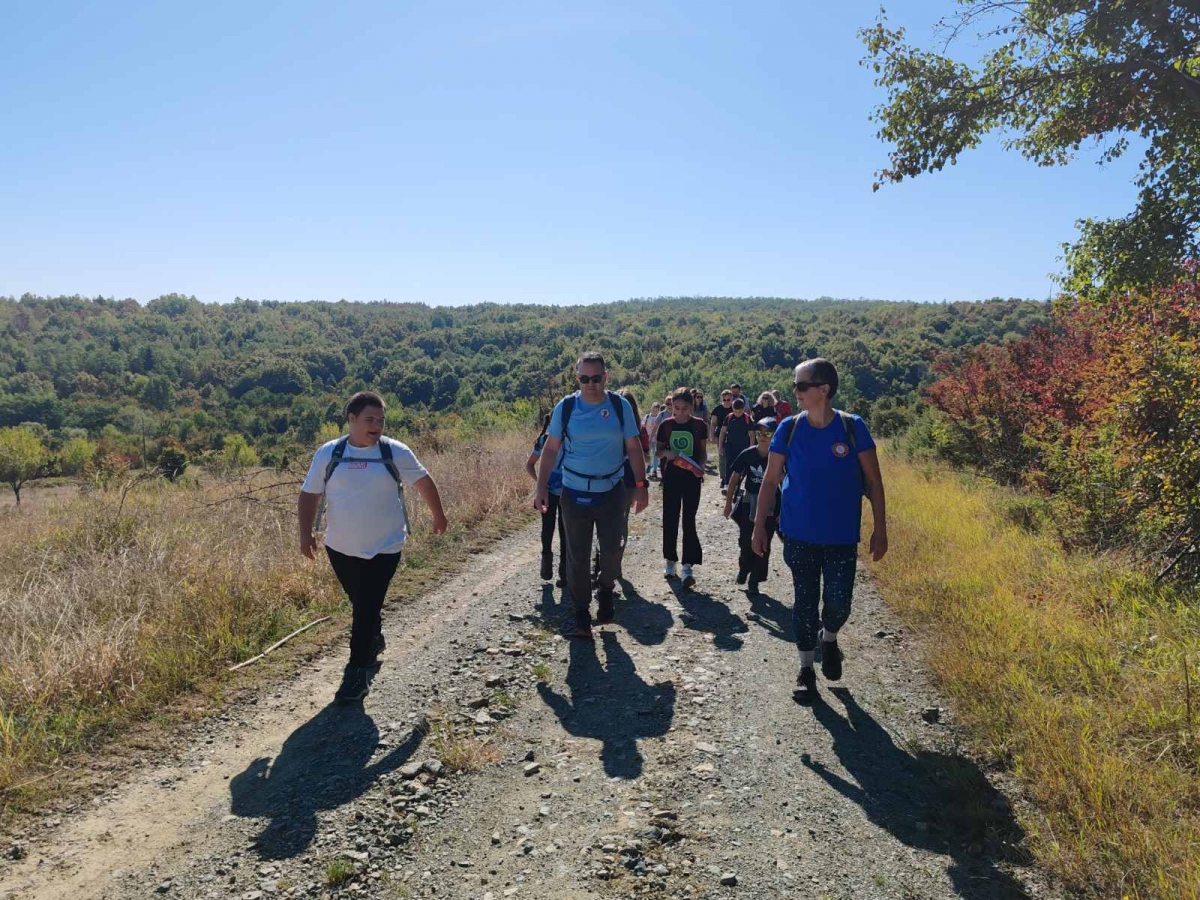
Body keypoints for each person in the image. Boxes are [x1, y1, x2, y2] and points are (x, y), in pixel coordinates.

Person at [752, 358, 888, 703]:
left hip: (842, 535)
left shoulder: (853, 427)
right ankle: (805, 669)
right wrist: (759, 527)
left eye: (801, 386)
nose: (794, 392)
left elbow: (873, 481)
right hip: (798, 532)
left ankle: (829, 638)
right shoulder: (788, 428)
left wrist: (881, 529)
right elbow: (770, 480)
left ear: (823, 390)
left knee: (839, 603)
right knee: (804, 601)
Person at [298, 391, 448, 703]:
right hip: (340, 547)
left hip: (385, 547)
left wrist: (439, 515)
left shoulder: (395, 452)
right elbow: (309, 494)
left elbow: (423, 482)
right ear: (351, 420)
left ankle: (357, 673)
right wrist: (305, 534)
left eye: (380, 420)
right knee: (362, 604)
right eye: (370, 419)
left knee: (365, 607)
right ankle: (373, 637)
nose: (377, 425)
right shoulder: (329, 454)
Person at [534, 352, 649, 639]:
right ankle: (582, 613)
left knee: (613, 549)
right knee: (577, 557)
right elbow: (550, 449)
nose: (590, 384)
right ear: (578, 379)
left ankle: (606, 588)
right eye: (584, 379)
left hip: (611, 491)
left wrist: (641, 485)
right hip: (573, 493)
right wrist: (541, 487)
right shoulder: (567, 407)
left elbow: (634, 448)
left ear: (605, 378)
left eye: (596, 378)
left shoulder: (620, 406)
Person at [656, 387, 708, 588]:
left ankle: (688, 565)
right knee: (670, 518)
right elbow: (658, 451)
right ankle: (670, 561)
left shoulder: (699, 426)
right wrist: (667, 454)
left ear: (691, 407)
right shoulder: (665, 425)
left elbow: (702, 452)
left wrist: (701, 466)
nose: (679, 412)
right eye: (675, 408)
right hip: (671, 478)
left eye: (684, 408)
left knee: (689, 519)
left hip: (692, 478)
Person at [723, 417, 780, 594]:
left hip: (771, 504)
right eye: (759, 432)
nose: (762, 436)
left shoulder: (780, 457)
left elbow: (788, 483)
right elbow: (734, 478)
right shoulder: (748, 454)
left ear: (775, 435)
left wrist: (785, 510)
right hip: (749, 501)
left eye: (767, 433)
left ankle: (755, 580)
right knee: (745, 540)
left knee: (764, 542)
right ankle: (744, 569)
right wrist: (727, 503)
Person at [526, 413, 565, 584]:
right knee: (550, 528)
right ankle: (548, 564)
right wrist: (541, 484)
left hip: (566, 491)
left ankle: (564, 571)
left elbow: (529, 465)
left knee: (564, 531)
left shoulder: (571, 439)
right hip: (549, 492)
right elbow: (529, 464)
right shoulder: (543, 440)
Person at [719, 397, 753, 495]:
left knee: (740, 467)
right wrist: (720, 447)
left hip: (743, 447)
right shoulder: (729, 417)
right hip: (730, 445)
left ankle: (736, 486)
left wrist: (751, 447)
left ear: (743, 409)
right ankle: (726, 485)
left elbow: (751, 434)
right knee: (729, 464)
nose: (737, 414)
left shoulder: (747, 418)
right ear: (732, 409)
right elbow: (722, 432)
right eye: (735, 411)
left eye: (739, 412)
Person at [710, 390, 734, 487]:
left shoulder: (735, 408)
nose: (726, 401)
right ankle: (723, 478)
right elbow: (713, 424)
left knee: (732, 457)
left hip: (734, 435)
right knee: (722, 456)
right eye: (724, 399)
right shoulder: (717, 409)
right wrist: (711, 436)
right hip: (720, 435)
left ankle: (731, 478)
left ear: (732, 398)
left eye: (728, 399)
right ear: (721, 399)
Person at [645, 403, 663, 479]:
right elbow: (643, 427)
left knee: (655, 454)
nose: (654, 411)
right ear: (651, 409)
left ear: (658, 410)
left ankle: (654, 470)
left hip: (656, 439)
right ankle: (649, 465)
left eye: (656, 410)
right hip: (648, 439)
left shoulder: (660, 418)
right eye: (653, 409)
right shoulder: (647, 417)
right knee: (648, 453)